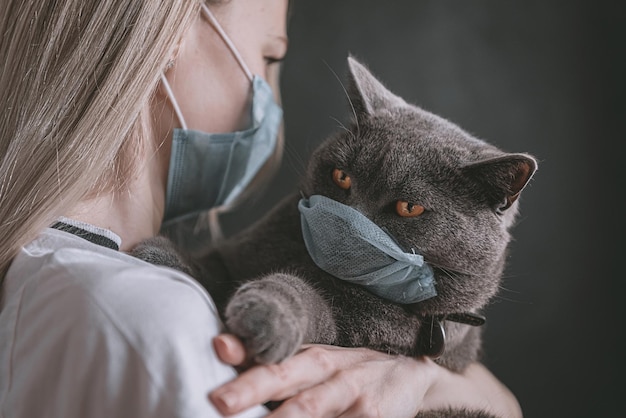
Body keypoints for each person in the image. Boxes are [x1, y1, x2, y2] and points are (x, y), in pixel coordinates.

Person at [0, 1, 522, 417]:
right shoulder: (154, 323)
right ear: (172, 35)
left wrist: (426, 384)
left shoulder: (47, 267)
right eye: (270, 57)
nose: (273, 96)